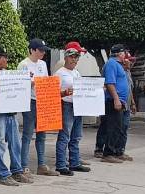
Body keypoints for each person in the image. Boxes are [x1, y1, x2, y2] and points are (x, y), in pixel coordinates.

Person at [0, 46, 28, 186]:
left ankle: (17, 170)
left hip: (10, 111)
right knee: (0, 144)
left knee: (15, 143)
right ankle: (3, 174)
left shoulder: (4, 73)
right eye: (5, 57)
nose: (7, 60)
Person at [17, 38, 59, 177]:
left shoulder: (42, 64)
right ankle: (23, 165)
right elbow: (20, 85)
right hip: (30, 101)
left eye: (43, 51)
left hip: (42, 100)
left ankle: (41, 164)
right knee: (28, 134)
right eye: (40, 50)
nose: (42, 53)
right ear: (32, 50)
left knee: (42, 134)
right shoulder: (23, 65)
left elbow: (46, 81)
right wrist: (33, 83)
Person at [54, 42, 92, 176]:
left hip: (78, 105)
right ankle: (61, 164)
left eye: (77, 57)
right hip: (66, 105)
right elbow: (53, 93)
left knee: (76, 136)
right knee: (65, 136)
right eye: (73, 56)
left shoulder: (76, 72)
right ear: (66, 57)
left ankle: (74, 162)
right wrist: (65, 92)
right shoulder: (60, 73)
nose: (75, 59)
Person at [100, 44, 130, 163]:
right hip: (113, 101)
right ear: (119, 53)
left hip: (120, 100)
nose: (125, 55)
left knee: (120, 127)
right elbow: (110, 83)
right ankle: (108, 153)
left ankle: (117, 151)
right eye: (124, 53)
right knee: (113, 127)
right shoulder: (111, 64)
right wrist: (116, 99)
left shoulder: (118, 65)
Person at [117, 54, 137, 161]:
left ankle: (121, 151)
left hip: (128, 105)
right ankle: (114, 151)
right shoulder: (119, 72)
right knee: (118, 128)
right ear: (124, 61)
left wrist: (133, 103)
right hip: (120, 104)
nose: (132, 63)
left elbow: (129, 90)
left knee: (124, 128)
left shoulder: (128, 72)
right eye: (130, 61)